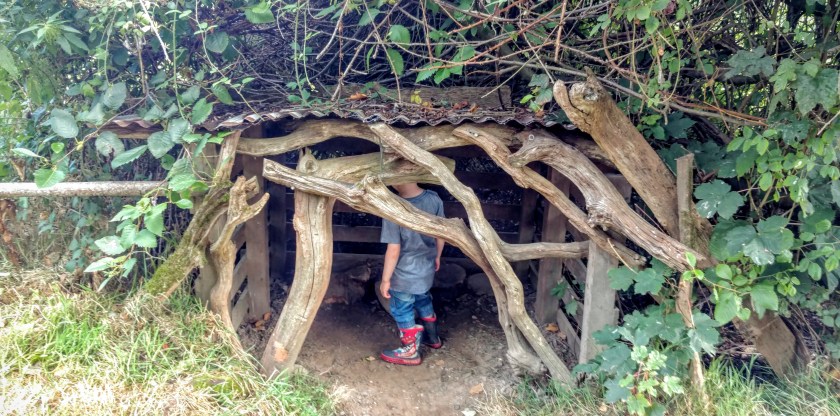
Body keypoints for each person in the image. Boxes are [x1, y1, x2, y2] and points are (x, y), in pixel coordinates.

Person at [378, 182, 445, 365]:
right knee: (423, 299)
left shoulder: (392, 207)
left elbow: (394, 250)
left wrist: (385, 279)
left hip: (403, 274)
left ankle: (410, 352)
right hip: (426, 268)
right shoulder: (433, 199)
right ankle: (433, 338)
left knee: (402, 309)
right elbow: (441, 234)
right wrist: (437, 256)